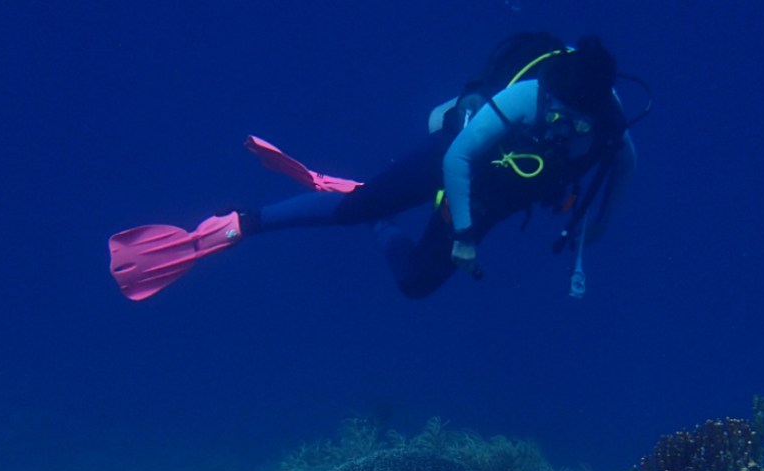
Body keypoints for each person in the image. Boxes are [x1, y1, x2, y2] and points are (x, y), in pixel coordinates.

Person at [109, 33, 641, 301]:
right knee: (353, 207)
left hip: (492, 198)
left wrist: (600, 225)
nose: (561, 123)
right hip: (455, 165)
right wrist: (464, 235)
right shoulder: (528, 96)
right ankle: (243, 223)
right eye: (558, 111)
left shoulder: (610, 122)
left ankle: (381, 221)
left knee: (414, 285)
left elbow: (624, 170)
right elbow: (458, 156)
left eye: (574, 118)